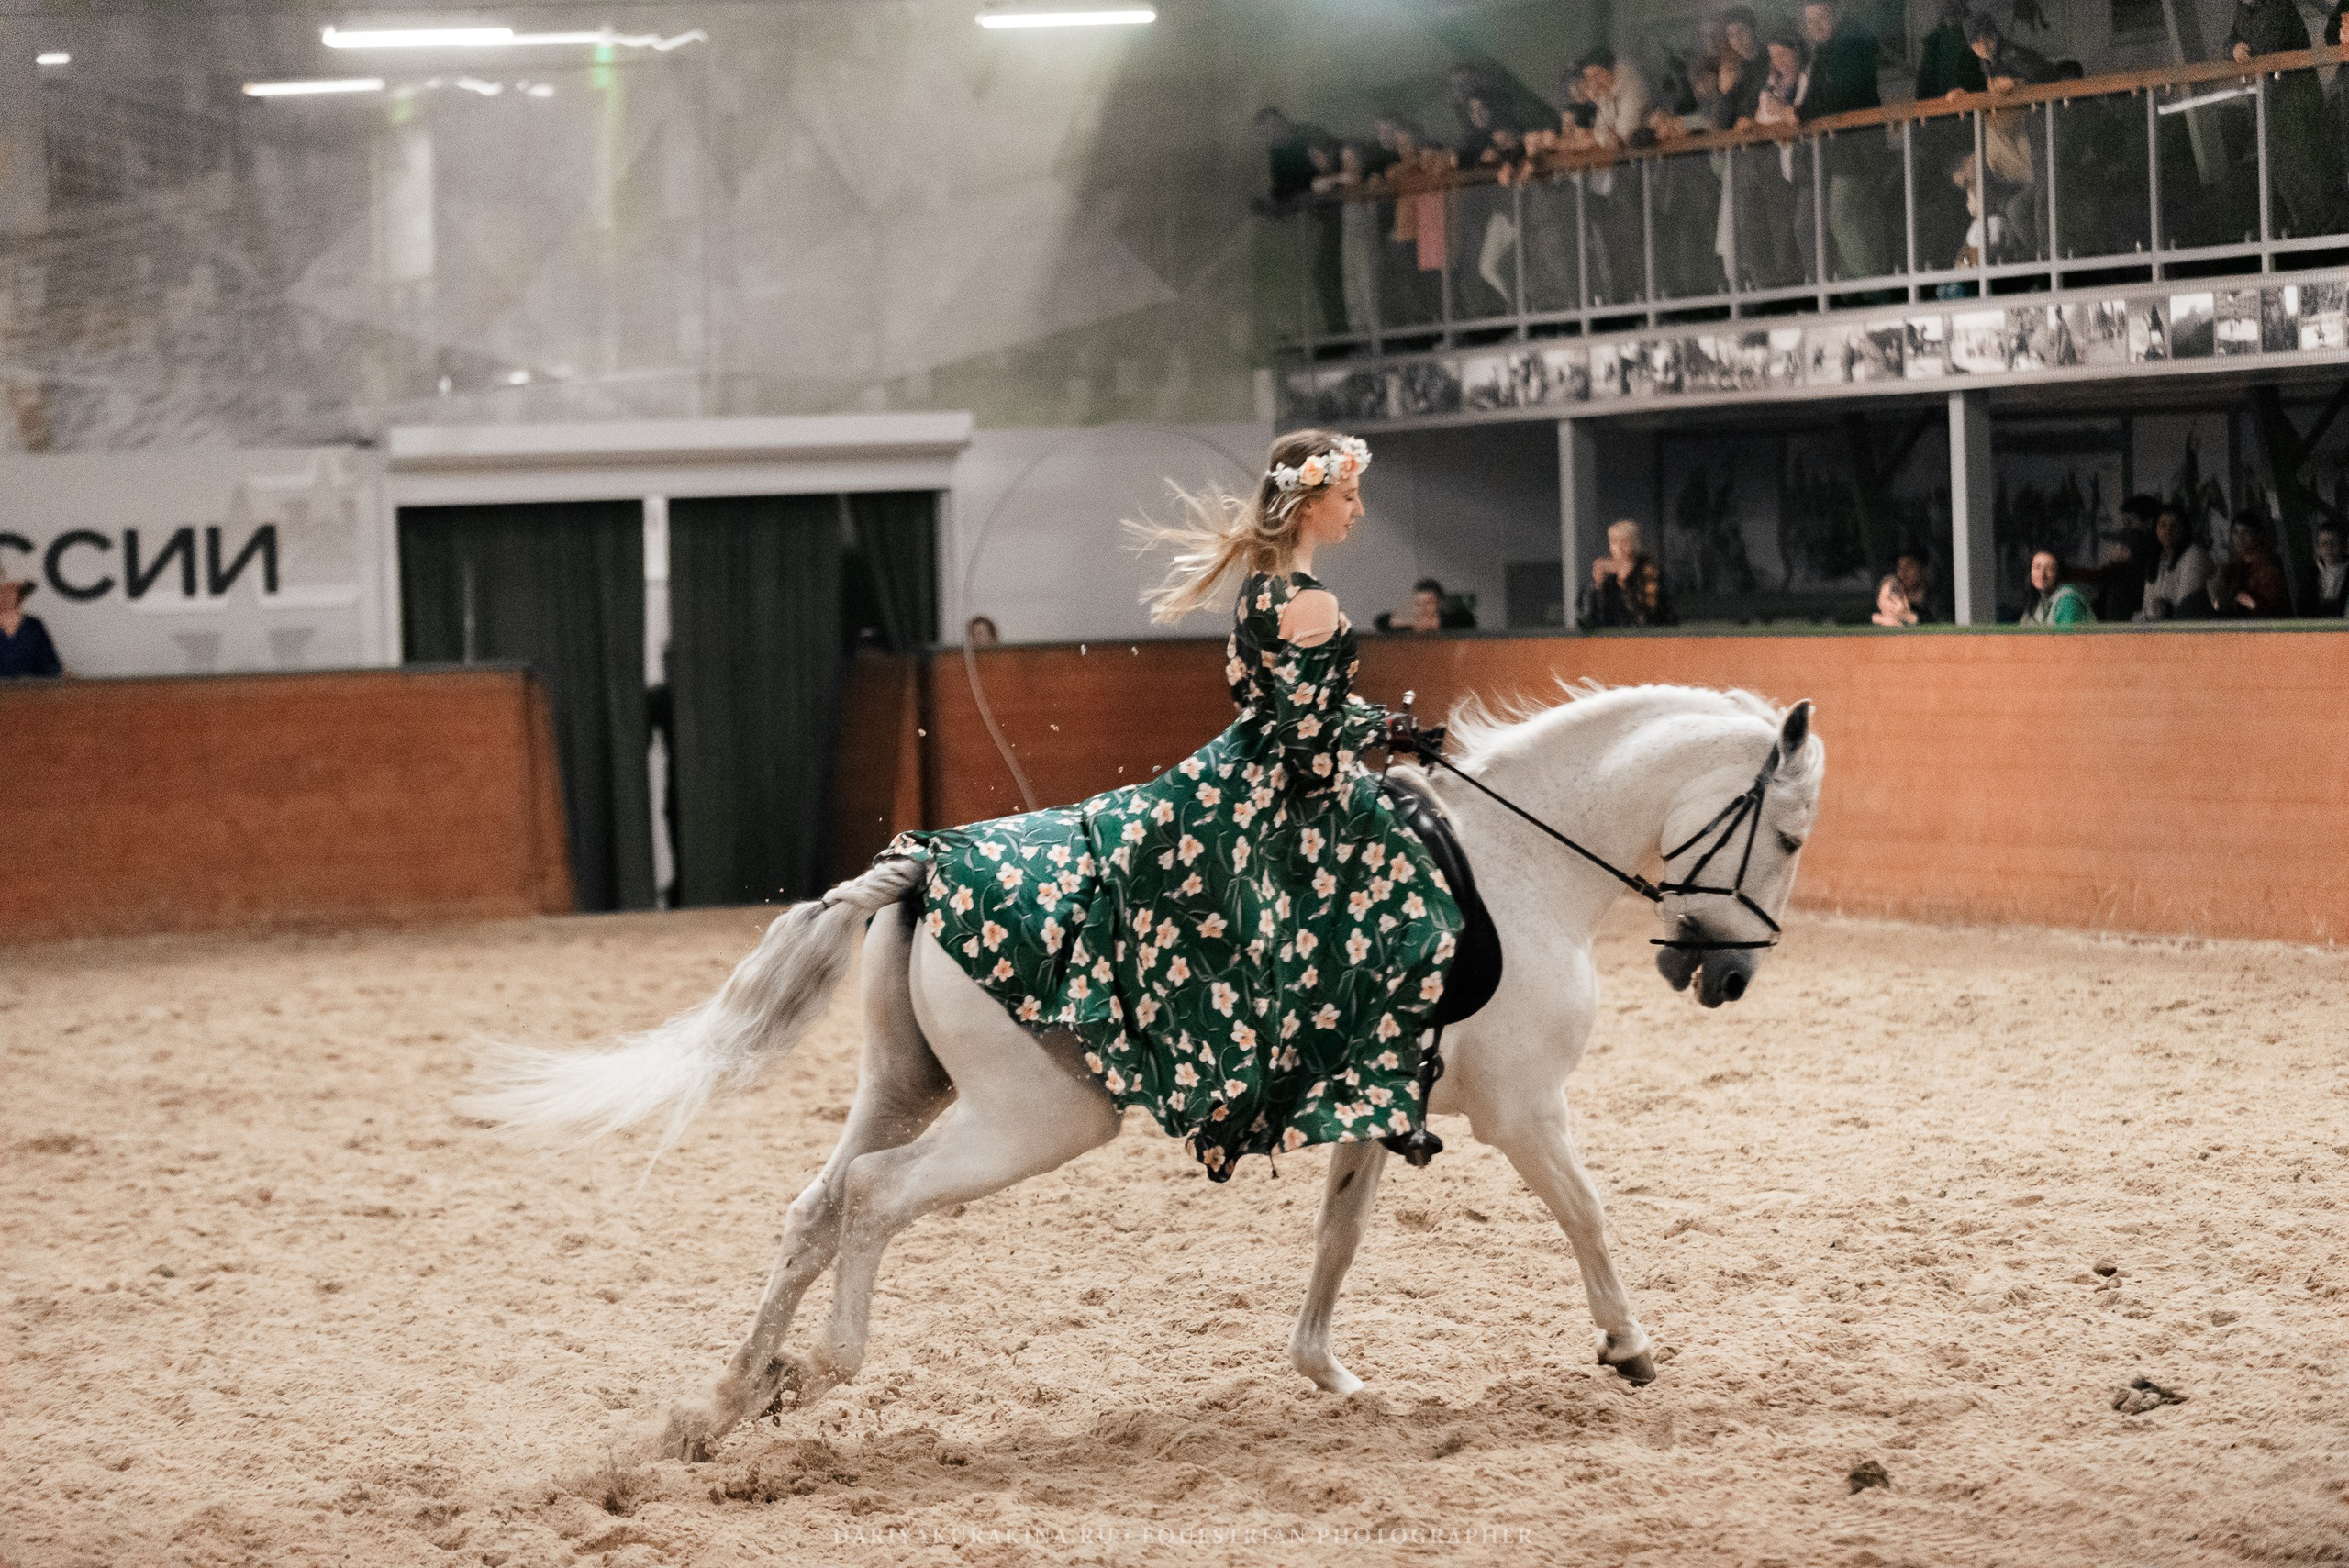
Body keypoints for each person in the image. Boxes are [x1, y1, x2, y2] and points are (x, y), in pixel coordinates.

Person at [889, 430, 1464, 1181]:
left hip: (1233, 768)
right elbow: (1305, 736)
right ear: (1309, 503)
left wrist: (1377, 722)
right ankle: (1380, 1097)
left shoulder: (1266, 586)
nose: (1358, 508)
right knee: (1416, 910)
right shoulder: (1312, 601)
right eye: (1347, 495)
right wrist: (1369, 741)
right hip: (1281, 790)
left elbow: (1285, 704)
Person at [2227, 0, 2346, 239]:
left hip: (2294, 101)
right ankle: (2310, 227)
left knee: (2307, 165)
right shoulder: (2245, 9)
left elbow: (2268, 41)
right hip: (2271, 104)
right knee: (2286, 170)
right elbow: (2332, 32)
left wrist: (2246, 50)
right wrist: (2234, 48)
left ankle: (2324, 229)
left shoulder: (2277, 5)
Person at [1797, 0, 1887, 284]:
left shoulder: (1852, 45)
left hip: (1860, 148)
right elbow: (1815, 99)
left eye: (1821, 17)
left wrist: (1800, 113)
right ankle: (1868, 281)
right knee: (1862, 216)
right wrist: (1800, 112)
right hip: (1844, 151)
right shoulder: (1823, 54)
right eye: (1810, 21)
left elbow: (1842, 95)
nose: (1816, 26)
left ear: (1835, 15)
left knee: (1842, 215)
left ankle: (1872, 286)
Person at [1580, 519, 1676, 627]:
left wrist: (1626, 583)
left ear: (1635, 544)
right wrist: (1597, 586)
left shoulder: (1650, 571)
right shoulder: (1608, 575)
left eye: (1625, 542)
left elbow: (1649, 616)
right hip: (1612, 638)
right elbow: (1590, 618)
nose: (1619, 548)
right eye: (1614, 541)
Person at [2135, 506, 2212, 621]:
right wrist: (2152, 610)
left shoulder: (2194, 555)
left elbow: (2184, 610)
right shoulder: (2156, 559)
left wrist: (2160, 609)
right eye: (2163, 525)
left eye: (2174, 525)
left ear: (2183, 529)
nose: (2168, 531)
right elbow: (2146, 608)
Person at [2210, 511, 2291, 617]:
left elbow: (2274, 609)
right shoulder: (2236, 566)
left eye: (2245, 532)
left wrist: (2249, 602)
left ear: (2258, 535)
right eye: (2235, 532)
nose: (2239, 538)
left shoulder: (2268, 568)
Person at [1915, 0, 1987, 98]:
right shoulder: (1934, 43)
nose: (1942, 3)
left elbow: (1995, 78)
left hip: (1979, 107)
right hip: (1944, 109)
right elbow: (1923, 92)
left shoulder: (1981, 31)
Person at [0, 574, 62, 678]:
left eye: (11, 590)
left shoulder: (34, 626)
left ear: (21, 594)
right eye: (1, 590)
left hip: (30, 691)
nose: (6, 595)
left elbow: (51, 666)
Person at [2021, 550, 2096, 625]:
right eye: (2037, 567)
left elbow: (2067, 635)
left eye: (2049, 568)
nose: (2042, 574)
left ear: (2058, 573)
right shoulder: (2040, 599)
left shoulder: (2068, 600)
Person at [2313, 521, 2349, 617]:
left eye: (2334, 542)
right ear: (2318, 549)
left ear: (2344, 545)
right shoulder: (2310, 575)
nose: (2329, 547)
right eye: (2324, 544)